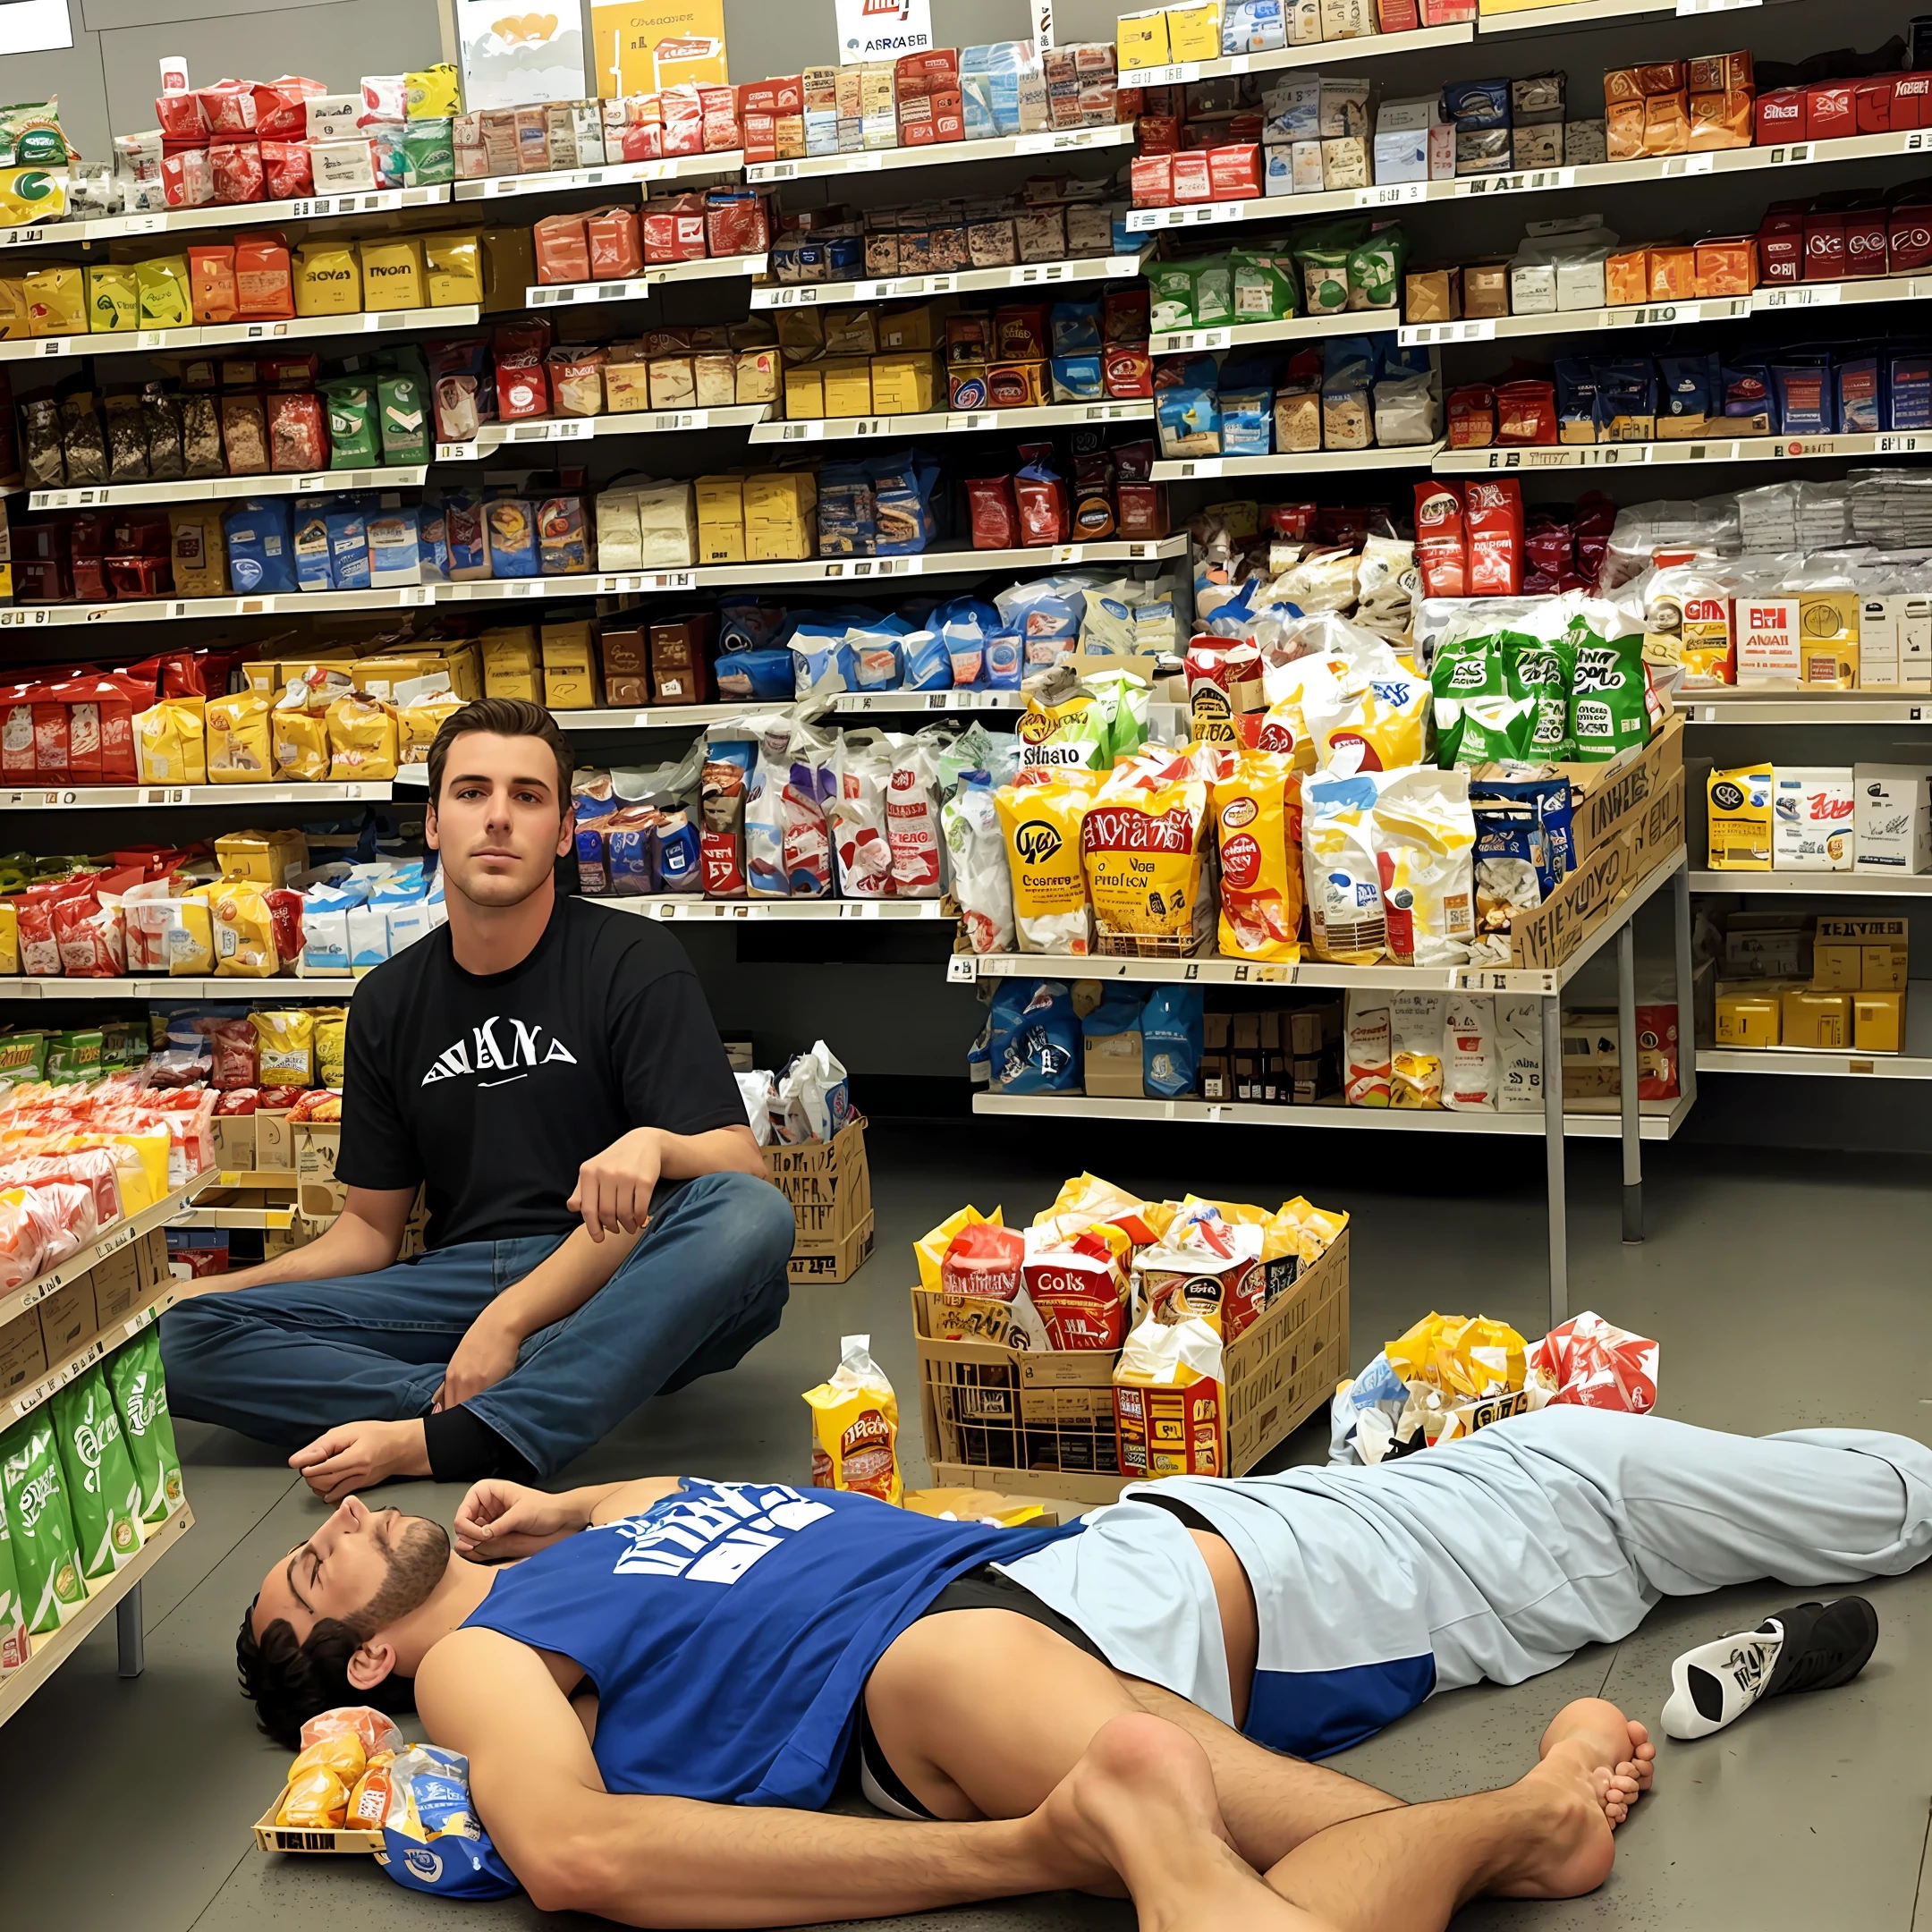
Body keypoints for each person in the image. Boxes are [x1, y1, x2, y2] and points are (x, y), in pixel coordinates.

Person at [238, 1405, 1931, 1928]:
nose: (324, 1532)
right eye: (308, 1586)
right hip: (960, 1652)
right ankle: (1528, 1820)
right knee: (1606, 1469)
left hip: (1039, 1600)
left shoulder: (559, 1556)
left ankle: (1526, 1826)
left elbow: (702, 1506)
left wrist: (573, 1503)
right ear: (369, 1659)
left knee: (1324, 1829)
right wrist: (1006, 1856)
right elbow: (580, 1854)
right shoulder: (477, 1667)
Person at [163, 697, 797, 1502]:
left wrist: (656, 1147)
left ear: (564, 831)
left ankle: (474, 1417)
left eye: (527, 797)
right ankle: (479, 1410)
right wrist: (206, 1292)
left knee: (750, 1218)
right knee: (176, 1341)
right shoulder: (389, 1000)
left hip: (609, 1261)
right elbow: (366, 1231)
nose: (498, 818)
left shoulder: (635, 960)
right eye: (471, 793)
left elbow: (741, 1172)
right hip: (454, 1284)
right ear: (433, 822)